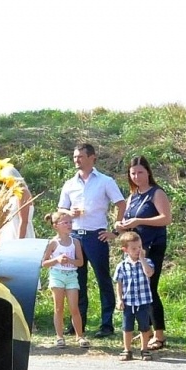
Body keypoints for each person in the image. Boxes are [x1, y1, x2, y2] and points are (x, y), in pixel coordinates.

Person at [56, 143, 125, 337]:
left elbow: (121, 203)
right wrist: (70, 212)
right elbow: (61, 209)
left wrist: (115, 230)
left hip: (96, 235)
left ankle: (106, 324)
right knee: (77, 281)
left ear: (92, 157)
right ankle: (78, 323)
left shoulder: (105, 181)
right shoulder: (70, 183)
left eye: (80, 156)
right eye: (75, 157)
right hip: (75, 236)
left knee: (103, 279)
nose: (76, 160)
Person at [115, 156, 173, 349]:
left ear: (148, 172)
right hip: (134, 249)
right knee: (137, 290)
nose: (137, 176)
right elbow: (127, 222)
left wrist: (139, 221)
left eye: (140, 172)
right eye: (133, 173)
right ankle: (144, 331)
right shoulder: (132, 196)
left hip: (153, 246)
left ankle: (159, 335)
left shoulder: (156, 193)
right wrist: (120, 226)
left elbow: (166, 219)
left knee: (150, 289)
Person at [41, 210, 85, 347]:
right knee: (58, 308)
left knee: (74, 308)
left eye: (70, 222)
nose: (69, 225)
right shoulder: (53, 243)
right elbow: (44, 263)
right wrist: (57, 260)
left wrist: (70, 261)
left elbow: (80, 262)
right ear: (56, 226)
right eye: (65, 222)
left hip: (71, 276)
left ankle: (80, 336)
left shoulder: (75, 242)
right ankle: (59, 337)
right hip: (57, 275)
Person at [113, 231, 156, 360]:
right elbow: (119, 283)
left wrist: (142, 259)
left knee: (144, 327)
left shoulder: (147, 262)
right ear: (125, 250)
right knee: (127, 327)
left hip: (143, 301)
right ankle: (127, 349)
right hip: (129, 302)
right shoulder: (121, 266)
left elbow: (149, 273)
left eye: (139, 247)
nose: (137, 250)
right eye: (134, 248)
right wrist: (119, 299)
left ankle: (144, 349)